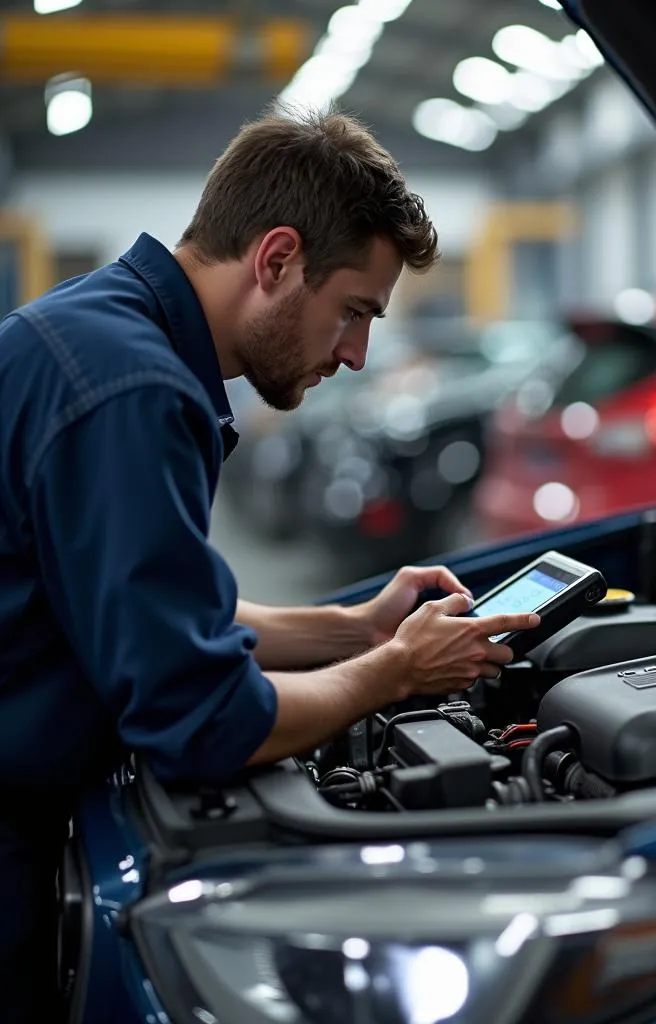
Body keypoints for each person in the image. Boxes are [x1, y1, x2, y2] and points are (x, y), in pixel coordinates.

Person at [0, 108, 539, 1019]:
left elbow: (151, 613)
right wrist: (394, 671)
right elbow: (205, 721)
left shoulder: (101, 334)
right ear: (277, 260)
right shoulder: (134, 392)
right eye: (355, 311)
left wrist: (355, 628)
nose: (360, 352)